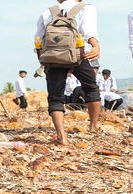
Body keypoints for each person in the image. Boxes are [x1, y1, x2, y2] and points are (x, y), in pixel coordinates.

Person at [36, 0, 101, 145]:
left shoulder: (48, 11)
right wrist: (95, 46)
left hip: (52, 57)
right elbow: (88, 29)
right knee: (91, 87)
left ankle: (61, 136)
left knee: (55, 96)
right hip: (77, 55)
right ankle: (93, 126)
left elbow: (38, 40)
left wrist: (44, 61)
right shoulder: (86, 8)